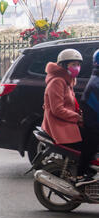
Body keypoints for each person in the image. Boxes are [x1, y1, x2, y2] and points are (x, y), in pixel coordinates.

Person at [41, 48, 95, 187]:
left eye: (78, 64)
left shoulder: (68, 81)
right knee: (91, 141)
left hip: (66, 123)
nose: (77, 67)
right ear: (64, 65)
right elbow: (57, 109)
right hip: (59, 126)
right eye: (73, 64)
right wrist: (78, 118)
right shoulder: (57, 82)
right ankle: (80, 175)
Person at [78, 49, 99, 184]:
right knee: (90, 146)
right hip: (93, 125)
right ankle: (82, 175)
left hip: (93, 122)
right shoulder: (96, 82)